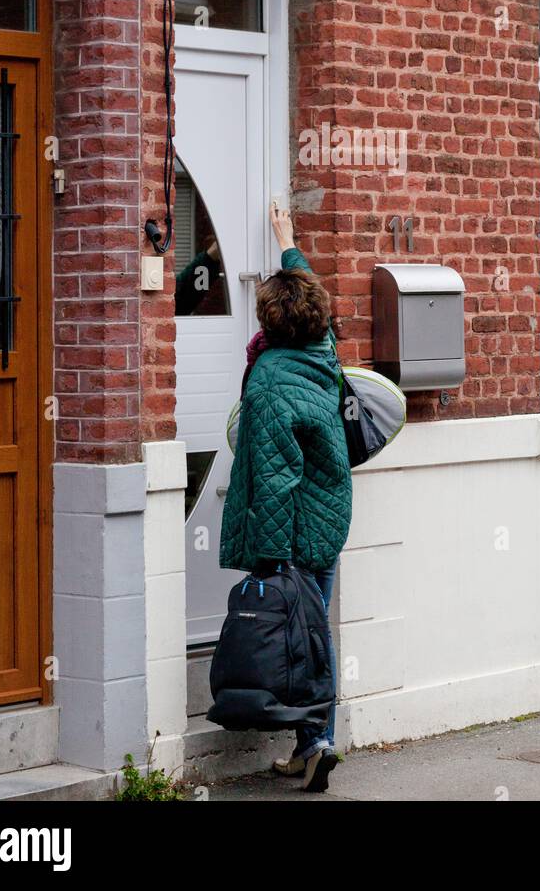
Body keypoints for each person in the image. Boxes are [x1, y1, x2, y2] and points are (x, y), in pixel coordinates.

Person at [218, 201, 353, 793]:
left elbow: (276, 475)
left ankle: (316, 741)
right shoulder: (322, 352)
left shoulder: (271, 377)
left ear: (270, 323)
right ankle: (311, 746)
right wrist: (287, 242)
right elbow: (310, 295)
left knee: (302, 643)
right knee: (314, 634)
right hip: (328, 518)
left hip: (294, 528)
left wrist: (268, 559)